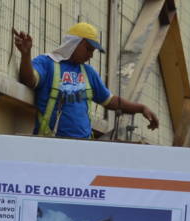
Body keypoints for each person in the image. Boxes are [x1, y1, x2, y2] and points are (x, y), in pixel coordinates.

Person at [13, 23, 158, 139]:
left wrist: (140, 108)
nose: (90, 56)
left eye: (93, 51)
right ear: (74, 43)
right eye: (88, 49)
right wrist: (26, 55)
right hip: (52, 144)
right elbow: (29, 80)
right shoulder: (48, 63)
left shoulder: (88, 73)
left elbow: (111, 101)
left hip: (84, 147)